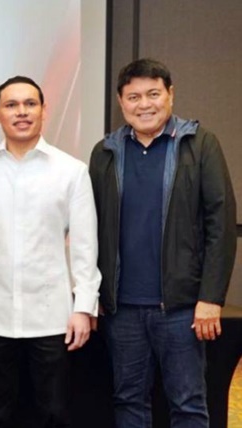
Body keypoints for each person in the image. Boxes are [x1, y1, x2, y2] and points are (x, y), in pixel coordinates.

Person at [89, 58, 237, 427]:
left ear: (170, 94)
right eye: (134, 97)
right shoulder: (105, 152)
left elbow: (220, 225)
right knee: (128, 401)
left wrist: (211, 298)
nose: (144, 104)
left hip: (182, 309)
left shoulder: (200, 144)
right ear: (121, 102)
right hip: (121, 309)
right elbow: (91, 226)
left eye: (153, 94)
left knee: (188, 404)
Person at [0, 75, 101, 427]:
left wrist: (84, 307)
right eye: (11, 105)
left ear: (43, 111)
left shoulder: (72, 172)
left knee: (53, 414)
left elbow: (85, 247)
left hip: (52, 318)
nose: (21, 112)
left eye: (30, 104)